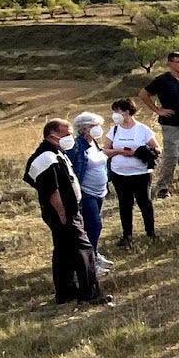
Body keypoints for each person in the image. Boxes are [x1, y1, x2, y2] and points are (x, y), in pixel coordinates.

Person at [23, 118, 108, 305]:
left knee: (63, 251)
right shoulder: (46, 157)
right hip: (63, 213)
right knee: (84, 249)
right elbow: (50, 190)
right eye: (67, 133)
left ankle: (66, 292)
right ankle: (90, 294)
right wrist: (63, 214)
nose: (71, 136)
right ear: (53, 136)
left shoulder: (56, 152)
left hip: (67, 211)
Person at [139, 51, 179, 198]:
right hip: (171, 125)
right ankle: (163, 186)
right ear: (169, 63)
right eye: (177, 62)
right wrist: (158, 110)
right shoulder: (162, 80)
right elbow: (143, 94)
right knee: (171, 157)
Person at [103, 97, 159, 248]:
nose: (114, 114)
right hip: (119, 174)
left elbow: (157, 148)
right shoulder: (114, 130)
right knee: (125, 204)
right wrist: (119, 151)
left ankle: (151, 233)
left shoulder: (142, 129)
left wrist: (140, 152)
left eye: (117, 111)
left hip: (141, 173)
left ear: (127, 112)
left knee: (145, 203)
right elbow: (105, 150)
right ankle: (127, 235)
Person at [67, 112, 111, 274]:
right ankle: (90, 263)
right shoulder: (77, 146)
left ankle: (94, 254)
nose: (98, 129)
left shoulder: (95, 144)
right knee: (94, 225)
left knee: (94, 225)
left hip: (100, 192)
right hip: (86, 193)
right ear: (84, 129)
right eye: (94, 126)